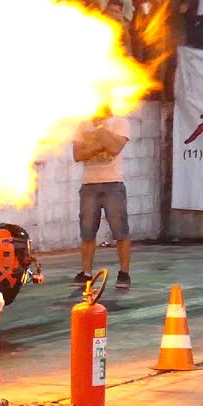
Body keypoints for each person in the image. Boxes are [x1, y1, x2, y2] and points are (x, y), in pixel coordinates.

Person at [70, 109, 132, 289]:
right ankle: (86, 273)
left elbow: (114, 148)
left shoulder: (121, 123)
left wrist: (98, 129)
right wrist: (100, 145)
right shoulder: (81, 126)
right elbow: (77, 155)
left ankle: (124, 273)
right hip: (89, 185)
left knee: (120, 230)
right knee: (87, 231)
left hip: (113, 183)